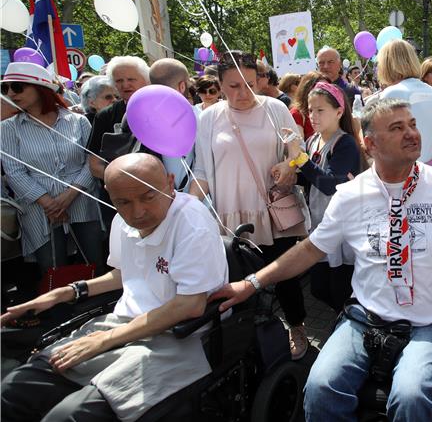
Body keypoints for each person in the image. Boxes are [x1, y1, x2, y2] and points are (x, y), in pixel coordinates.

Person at [210, 98, 432, 421]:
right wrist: (251, 283)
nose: (412, 134)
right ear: (370, 144)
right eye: (397, 128)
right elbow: (310, 250)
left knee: (411, 397)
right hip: (366, 318)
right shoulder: (350, 195)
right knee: (319, 389)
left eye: (412, 125)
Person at [0, 154, 228, 421]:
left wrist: (104, 341)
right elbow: (125, 272)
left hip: (179, 337)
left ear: (170, 182)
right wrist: (65, 292)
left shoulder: (192, 223)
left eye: (148, 196)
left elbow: (190, 305)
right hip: (122, 322)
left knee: (70, 415)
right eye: (123, 202)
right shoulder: (123, 221)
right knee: (16, 388)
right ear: (110, 195)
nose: (138, 211)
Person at [190, 50, 309, 360]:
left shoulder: (275, 109)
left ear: (259, 80)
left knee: (284, 275)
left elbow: (298, 151)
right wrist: (185, 208)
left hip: (273, 211)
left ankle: (296, 326)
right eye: (233, 86)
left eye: (249, 84)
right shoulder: (209, 118)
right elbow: (202, 169)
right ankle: (246, 338)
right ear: (218, 84)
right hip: (231, 214)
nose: (242, 93)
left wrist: (289, 166)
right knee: (236, 282)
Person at [1, 62, 105, 275]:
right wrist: (48, 202)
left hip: (82, 200)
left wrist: (69, 196)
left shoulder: (78, 121)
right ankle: (58, 308)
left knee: (95, 262)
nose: (11, 93)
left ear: (40, 89)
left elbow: (91, 161)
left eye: (18, 87)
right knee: (52, 269)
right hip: (39, 209)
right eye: (6, 88)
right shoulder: (7, 128)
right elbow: (14, 171)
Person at [288, 81, 362, 312]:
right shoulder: (312, 140)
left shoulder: (345, 143)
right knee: (319, 288)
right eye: (310, 110)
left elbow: (330, 184)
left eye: (320, 110)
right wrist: (288, 175)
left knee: (340, 290)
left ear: (339, 112)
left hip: (343, 231)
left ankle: (350, 326)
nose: (313, 116)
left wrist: (300, 159)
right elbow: (311, 179)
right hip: (320, 226)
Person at [377, 40, 432, 166]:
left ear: (387, 64)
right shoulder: (430, 90)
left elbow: (382, 141)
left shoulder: (392, 93)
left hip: (406, 174)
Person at [87, 56, 150, 180]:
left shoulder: (160, 109)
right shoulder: (105, 116)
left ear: (146, 80)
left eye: (131, 79)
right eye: (119, 80)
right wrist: (123, 182)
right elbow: (94, 164)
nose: (125, 85)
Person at [149, 59, 198, 192]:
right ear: (182, 86)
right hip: (196, 199)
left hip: (155, 200)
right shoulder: (202, 117)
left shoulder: (140, 116)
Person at [290, 71, 325, 140]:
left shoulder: (331, 112)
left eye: (328, 88)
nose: (325, 93)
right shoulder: (297, 114)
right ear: (307, 89)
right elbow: (299, 147)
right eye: (320, 89)